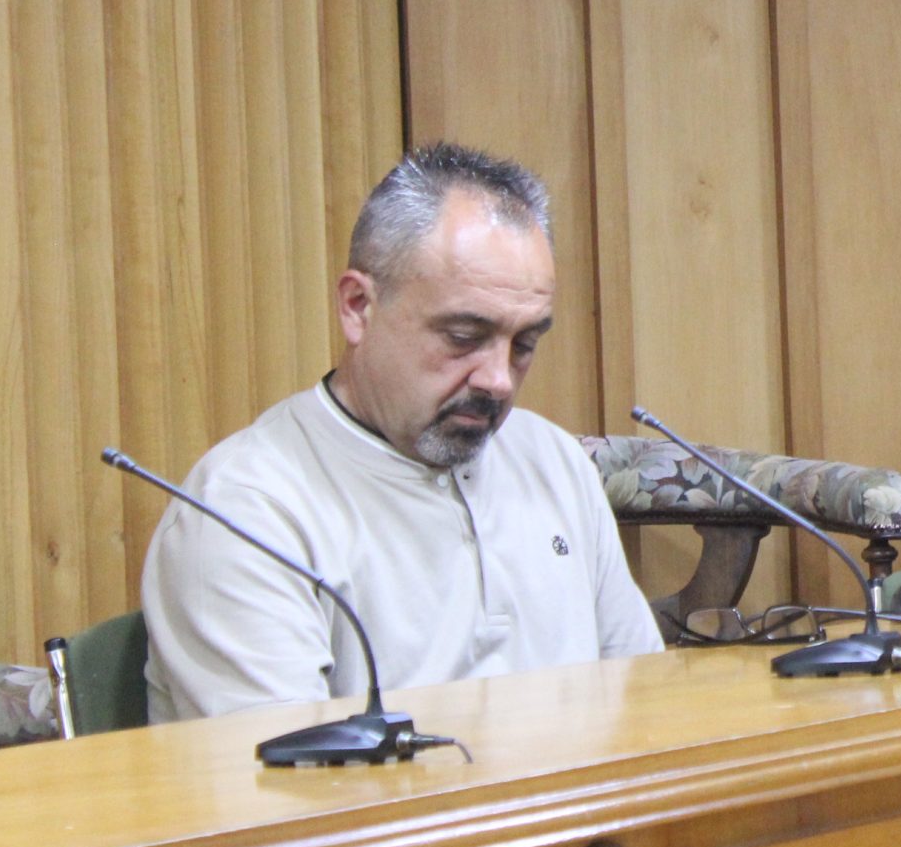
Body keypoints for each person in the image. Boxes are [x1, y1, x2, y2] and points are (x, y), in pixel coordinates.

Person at [143, 143, 661, 720]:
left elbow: (642, 707)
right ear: (358, 307)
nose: (497, 380)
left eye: (524, 344)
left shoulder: (553, 461)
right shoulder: (247, 510)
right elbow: (285, 771)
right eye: (464, 337)